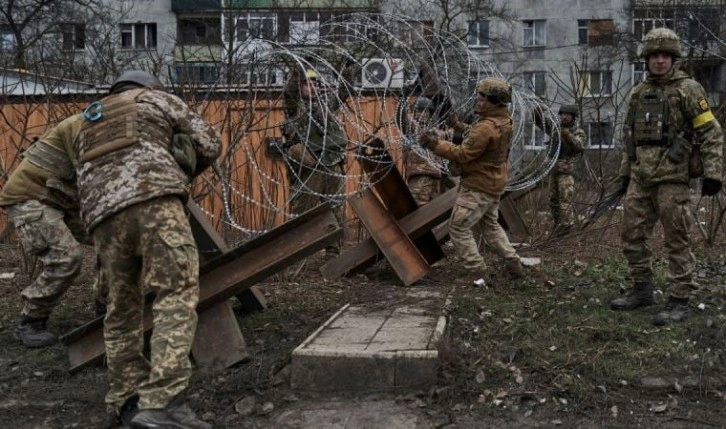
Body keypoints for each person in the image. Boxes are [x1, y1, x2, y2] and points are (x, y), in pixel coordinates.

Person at [65, 70, 221, 428]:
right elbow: (210, 143)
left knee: (120, 309)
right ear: (149, 87)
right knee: (175, 292)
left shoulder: (86, 120)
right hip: (154, 200)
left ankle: (126, 402)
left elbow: (80, 176)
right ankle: (163, 402)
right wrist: (182, 165)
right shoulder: (155, 99)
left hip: (102, 217)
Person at [610, 28, 723, 326]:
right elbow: (630, 138)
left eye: (665, 56)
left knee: (677, 240)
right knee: (631, 236)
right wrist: (624, 174)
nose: (659, 61)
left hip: (673, 178)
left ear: (674, 59)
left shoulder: (689, 89)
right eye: (654, 56)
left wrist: (713, 173)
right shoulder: (637, 93)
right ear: (646, 59)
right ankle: (643, 290)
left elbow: (711, 133)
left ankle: (680, 299)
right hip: (641, 178)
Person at [420, 77, 526, 282]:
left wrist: (435, 144)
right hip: (493, 183)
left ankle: (477, 272)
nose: (478, 99)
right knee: (491, 227)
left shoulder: (485, 127)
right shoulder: (502, 120)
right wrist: (458, 125)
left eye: (483, 97)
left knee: (458, 227)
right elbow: (479, 137)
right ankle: (514, 265)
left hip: (478, 186)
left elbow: (463, 154)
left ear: (494, 101)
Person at [0, 115, 90, 348]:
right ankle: (31, 321)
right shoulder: (89, 123)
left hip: (59, 198)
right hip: (30, 197)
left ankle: (106, 304)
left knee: (114, 240)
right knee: (66, 258)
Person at [282, 66, 354, 255]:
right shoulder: (295, 107)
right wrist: (297, 70)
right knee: (303, 210)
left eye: (315, 83)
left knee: (336, 207)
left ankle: (334, 250)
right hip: (309, 165)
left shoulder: (325, 105)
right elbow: (289, 93)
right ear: (299, 85)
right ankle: (294, 252)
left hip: (331, 162)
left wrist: (348, 70)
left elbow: (343, 91)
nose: (312, 86)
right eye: (307, 83)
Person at [534, 104, 586, 234]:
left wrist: (567, 135)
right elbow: (541, 122)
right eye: (562, 114)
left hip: (567, 172)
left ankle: (567, 227)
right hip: (554, 170)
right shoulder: (555, 129)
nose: (564, 117)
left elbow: (579, 145)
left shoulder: (578, 132)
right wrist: (537, 112)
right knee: (553, 201)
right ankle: (558, 227)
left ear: (573, 117)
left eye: (567, 115)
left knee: (565, 200)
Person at [402, 97, 446, 206]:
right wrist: (402, 97)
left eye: (426, 111)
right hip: (419, 174)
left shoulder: (436, 131)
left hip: (435, 176)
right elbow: (404, 118)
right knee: (419, 207)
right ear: (414, 112)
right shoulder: (412, 129)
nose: (422, 114)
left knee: (434, 210)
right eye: (419, 110)